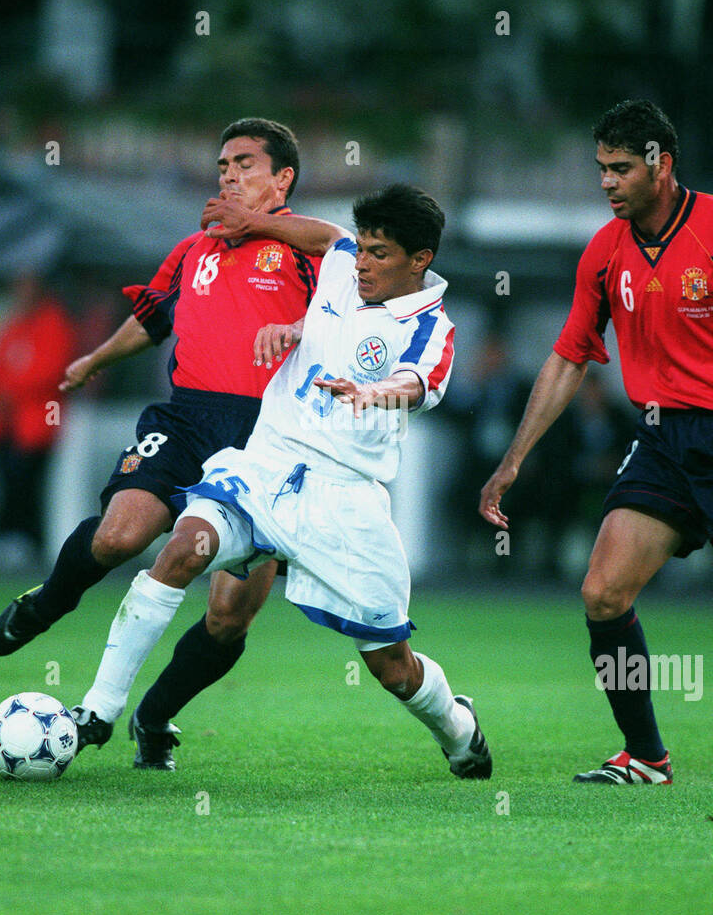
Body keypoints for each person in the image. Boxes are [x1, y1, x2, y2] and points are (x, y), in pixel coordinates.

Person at [72, 184, 491, 780]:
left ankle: (457, 726)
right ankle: (98, 710)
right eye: (363, 248)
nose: (361, 262)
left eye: (379, 254)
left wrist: (373, 392)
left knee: (392, 667)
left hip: (344, 498)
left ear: (420, 260)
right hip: (266, 463)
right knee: (182, 549)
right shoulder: (344, 261)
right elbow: (324, 237)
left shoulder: (430, 328)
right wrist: (254, 225)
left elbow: (416, 383)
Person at [0, 119, 340, 749]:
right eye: (223, 164)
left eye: (246, 164)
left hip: (269, 438)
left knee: (230, 616)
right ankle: (50, 601)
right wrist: (96, 358)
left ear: (283, 177)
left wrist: (257, 233)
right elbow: (152, 320)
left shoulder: (308, 252)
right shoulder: (192, 250)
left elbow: (341, 239)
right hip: (186, 418)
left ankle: (152, 717)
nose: (229, 174)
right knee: (120, 535)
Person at [479, 98, 713, 785]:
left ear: (662, 164)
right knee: (602, 594)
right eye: (601, 169)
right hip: (663, 439)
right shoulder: (604, 251)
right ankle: (647, 757)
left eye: (620, 169)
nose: (607, 182)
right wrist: (513, 461)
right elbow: (567, 358)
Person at [0, 273, 76, 565]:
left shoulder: (54, 324)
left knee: (28, 480)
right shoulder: (11, 325)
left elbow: (53, 370)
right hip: (4, 421)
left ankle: (26, 539)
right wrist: (0, 394)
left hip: (40, 419)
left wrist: (13, 392)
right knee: (4, 479)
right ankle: (3, 536)